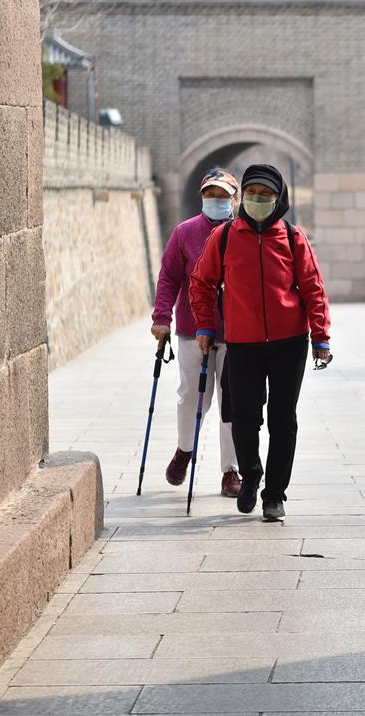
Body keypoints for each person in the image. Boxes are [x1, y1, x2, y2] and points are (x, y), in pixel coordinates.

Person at [189, 164, 331, 521]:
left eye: (266, 196)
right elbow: (201, 283)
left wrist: (321, 336)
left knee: (283, 419)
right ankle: (250, 475)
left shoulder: (293, 237)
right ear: (243, 198)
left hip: (289, 342)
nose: (258, 200)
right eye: (252, 194)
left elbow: (313, 287)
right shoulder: (223, 238)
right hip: (242, 342)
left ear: (279, 199)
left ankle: (275, 495)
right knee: (244, 416)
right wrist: (206, 326)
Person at [151, 168, 242, 497]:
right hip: (193, 331)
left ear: (235, 199)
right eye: (209, 195)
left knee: (232, 403)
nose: (215, 201)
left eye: (222, 196)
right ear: (201, 197)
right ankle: (185, 450)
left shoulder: (244, 233)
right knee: (192, 397)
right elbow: (169, 278)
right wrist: (162, 316)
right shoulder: (184, 233)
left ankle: (230, 470)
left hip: (235, 333)